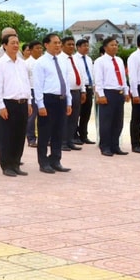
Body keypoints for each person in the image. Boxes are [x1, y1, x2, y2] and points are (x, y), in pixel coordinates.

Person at [32, 33, 72, 174]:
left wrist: (69, 101)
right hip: (48, 100)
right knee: (44, 133)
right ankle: (43, 162)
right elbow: (37, 86)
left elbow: (66, 82)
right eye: (54, 43)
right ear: (46, 45)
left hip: (61, 99)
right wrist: (40, 105)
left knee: (58, 132)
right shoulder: (40, 62)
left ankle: (55, 159)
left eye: (59, 42)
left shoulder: (63, 61)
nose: (57, 45)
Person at [0, 34, 30, 176]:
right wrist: (0, 105)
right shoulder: (0, 64)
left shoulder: (22, 63)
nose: (15, 45)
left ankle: (15, 163)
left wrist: (29, 101)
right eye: (12, 43)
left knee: (19, 135)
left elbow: (26, 83)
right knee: (6, 135)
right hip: (8, 104)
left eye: (17, 42)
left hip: (23, 103)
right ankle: (6, 164)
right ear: (5, 45)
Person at [92, 37, 129, 157]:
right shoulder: (100, 61)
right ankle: (105, 146)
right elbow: (98, 79)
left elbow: (123, 78)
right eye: (112, 45)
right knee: (106, 122)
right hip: (107, 93)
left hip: (119, 93)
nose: (115, 47)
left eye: (116, 45)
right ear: (105, 47)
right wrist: (101, 95)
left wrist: (126, 91)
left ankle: (115, 145)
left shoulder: (118, 60)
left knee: (118, 122)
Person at [61, 36, 86, 151]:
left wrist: (83, 90)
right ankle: (63, 142)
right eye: (68, 44)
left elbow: (81, 74)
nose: (71, 46)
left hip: (76, 91)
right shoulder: (60, 59)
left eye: (72, 44)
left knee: (74, 118)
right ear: (62, 46)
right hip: (66, 92)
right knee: (65, 118)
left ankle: (70, 140)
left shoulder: (76, 58)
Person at [74, 38, 96, 145]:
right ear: (78, 47)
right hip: (80, 88)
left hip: (89, 87)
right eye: (84, 46)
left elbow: (92, 73)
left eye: (88, 46)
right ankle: (74, 134)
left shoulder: (89, 59)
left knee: (86, 114)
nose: (87, 48)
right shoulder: (74, 59)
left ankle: (84, 135)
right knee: (76, 113)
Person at [24, 40, 43, 148]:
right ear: (30, 50)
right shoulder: (27, 63)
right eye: (37, 48)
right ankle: (31, 138)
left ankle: (43, 137)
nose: (40, 50)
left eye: (41, 48)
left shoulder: (43, 62)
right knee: (32, 116)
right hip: (32, 90)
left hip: (43, 90)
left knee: (43, 115)